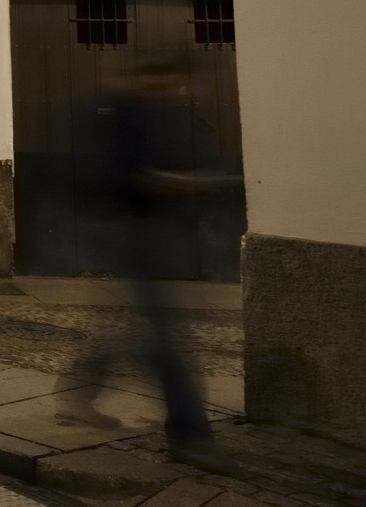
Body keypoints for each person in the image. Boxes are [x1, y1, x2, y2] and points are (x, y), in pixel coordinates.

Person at [65, 57, 243, 475]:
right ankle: (190, 435)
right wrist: (202, 184)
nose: (181, 92)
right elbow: (140, 176)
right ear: (153, 79)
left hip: (146, 233)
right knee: (166, 341)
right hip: (135, 234)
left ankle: (79, 393)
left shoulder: (144, 113)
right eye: (173, 83)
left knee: (131, 329)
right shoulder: (128, 116)